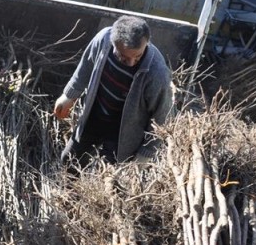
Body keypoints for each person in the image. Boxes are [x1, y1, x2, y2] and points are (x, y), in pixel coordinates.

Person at [54, 15, 175, 164]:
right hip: (95, 115)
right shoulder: (104, 39)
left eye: (137, 56)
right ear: (113, 42)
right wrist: (69, 96)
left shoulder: (157, 73)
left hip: (123, 132)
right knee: (69, 160)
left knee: (112, 180)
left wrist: (147, 152)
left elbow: (162, 116)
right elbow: (86, 65)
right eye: (123, 56)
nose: (131, 63)